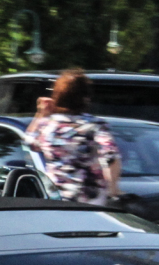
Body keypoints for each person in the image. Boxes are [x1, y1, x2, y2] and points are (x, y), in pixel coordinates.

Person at [26, 69, 120, 204]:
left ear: (58, 96)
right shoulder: (94, 125)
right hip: (88, 202)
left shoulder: (48, 125)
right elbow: (111, 155)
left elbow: (30, 143)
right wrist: (113, 188)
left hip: (54, 199)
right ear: (85, 98)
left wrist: (41, 113)